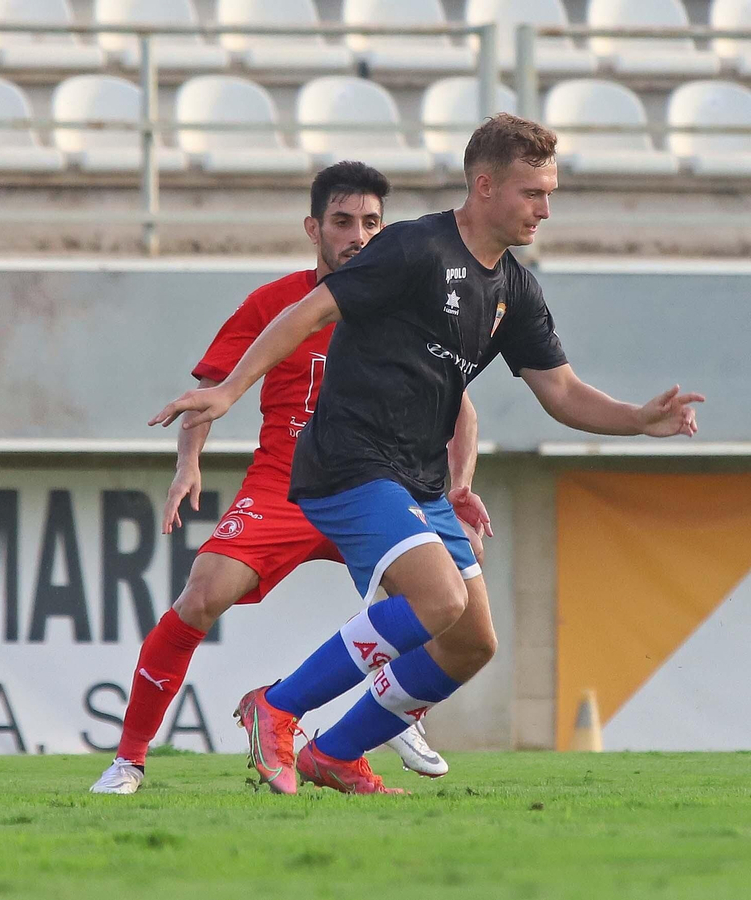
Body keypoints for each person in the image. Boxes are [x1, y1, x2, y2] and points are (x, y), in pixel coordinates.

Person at [150, 114, 703, 795]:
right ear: (484, 184)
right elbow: (311, 312)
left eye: (550, 192)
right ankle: (279, 705)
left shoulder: (514, 288)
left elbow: (559, 390)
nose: (545, 208)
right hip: (350, 461)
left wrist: (637, 419)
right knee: (437, 600)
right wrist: (232, 389)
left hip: (418, 479)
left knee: (472, 642)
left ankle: (337, 753)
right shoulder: (414, 248)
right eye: (533, 192)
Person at [91, 162, 488, 795]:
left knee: (434, 603)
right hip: (287, 483)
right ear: (313, 228)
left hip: (376, 485)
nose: (358, 235)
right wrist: (187, 464)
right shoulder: (276, 303)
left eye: (371, 222)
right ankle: (129, 759)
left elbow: (460, 406)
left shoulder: (408, 306)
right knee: (201, 596)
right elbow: (212, 387)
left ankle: (378, 726)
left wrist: (456, 483)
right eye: (342, 222)